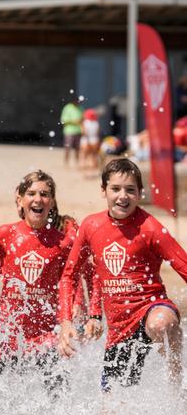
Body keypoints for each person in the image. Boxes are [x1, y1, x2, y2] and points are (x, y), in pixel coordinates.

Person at [58, 158, 187, 392]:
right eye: (115, 189)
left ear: (139, 193)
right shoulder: (91, 225)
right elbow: (69, 276)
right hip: (118, 330)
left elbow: (183, 265)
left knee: (162, 324)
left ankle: (177, 388)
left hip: (152, 308)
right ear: (103, 191)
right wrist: (66, 321)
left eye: (130, 190)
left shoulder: (150, 227)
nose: (123, 196)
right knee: (113, 409)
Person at [0, 171, 89, 393]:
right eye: (31, 193)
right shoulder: (5, 234)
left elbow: (71, 280)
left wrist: (73, 313)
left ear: (52, 202)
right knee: (7, 403)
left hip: (48, 337)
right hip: (10, 338)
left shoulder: (62, 243)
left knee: (57, 400)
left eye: (45, 194)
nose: (38, 199)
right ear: (20, 200)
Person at [60, 98, 83, 167]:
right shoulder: (67, 108)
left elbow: (82, 118)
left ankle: (77, 162)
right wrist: (74, 121)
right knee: (68, 147)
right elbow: (63, 120)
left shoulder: (80, 108)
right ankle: (66, 162)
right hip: (69, 131)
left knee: (78, 148)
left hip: (78, 131)